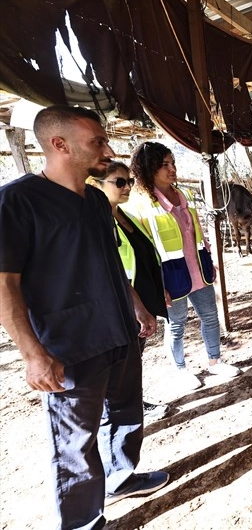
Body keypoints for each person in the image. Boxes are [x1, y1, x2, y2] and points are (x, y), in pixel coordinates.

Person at [0, 105, 169, 530]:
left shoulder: (95, 200)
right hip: (70, 343)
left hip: (119, 330)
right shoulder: (17, 201)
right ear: (59, 144)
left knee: (127, 412)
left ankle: (122, 477)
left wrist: (138, 307)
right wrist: (32, 354)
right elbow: (4, 284)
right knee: (75, 443)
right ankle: (82, 523)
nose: (108, 150)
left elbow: (109, 260)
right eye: (97, 142)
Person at [128, 141, 241, 390]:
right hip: (170, 276)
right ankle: (180, 370)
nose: (172, 169)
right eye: (164, 165)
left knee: (210, 315)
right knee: (176, 324)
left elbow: (196, 232)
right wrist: (158, 285)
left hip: (197, 268)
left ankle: (215, 361)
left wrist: (208, 259)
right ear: (149, 168)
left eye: (173, 163)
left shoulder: (184, 195)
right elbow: (144, 252)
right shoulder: (139, 205)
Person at [91, 161, 170, 421]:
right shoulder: (98, 222)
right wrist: (136, 306)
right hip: (121, 305)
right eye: (119, 182)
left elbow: (145, 258)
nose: (127, 187)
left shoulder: (126, 216)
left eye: (130, 181)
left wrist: (158, 290)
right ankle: (120, 413)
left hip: (141, 303)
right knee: (120, 365)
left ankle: (133, 404)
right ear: (96, 185)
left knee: (133, 361)